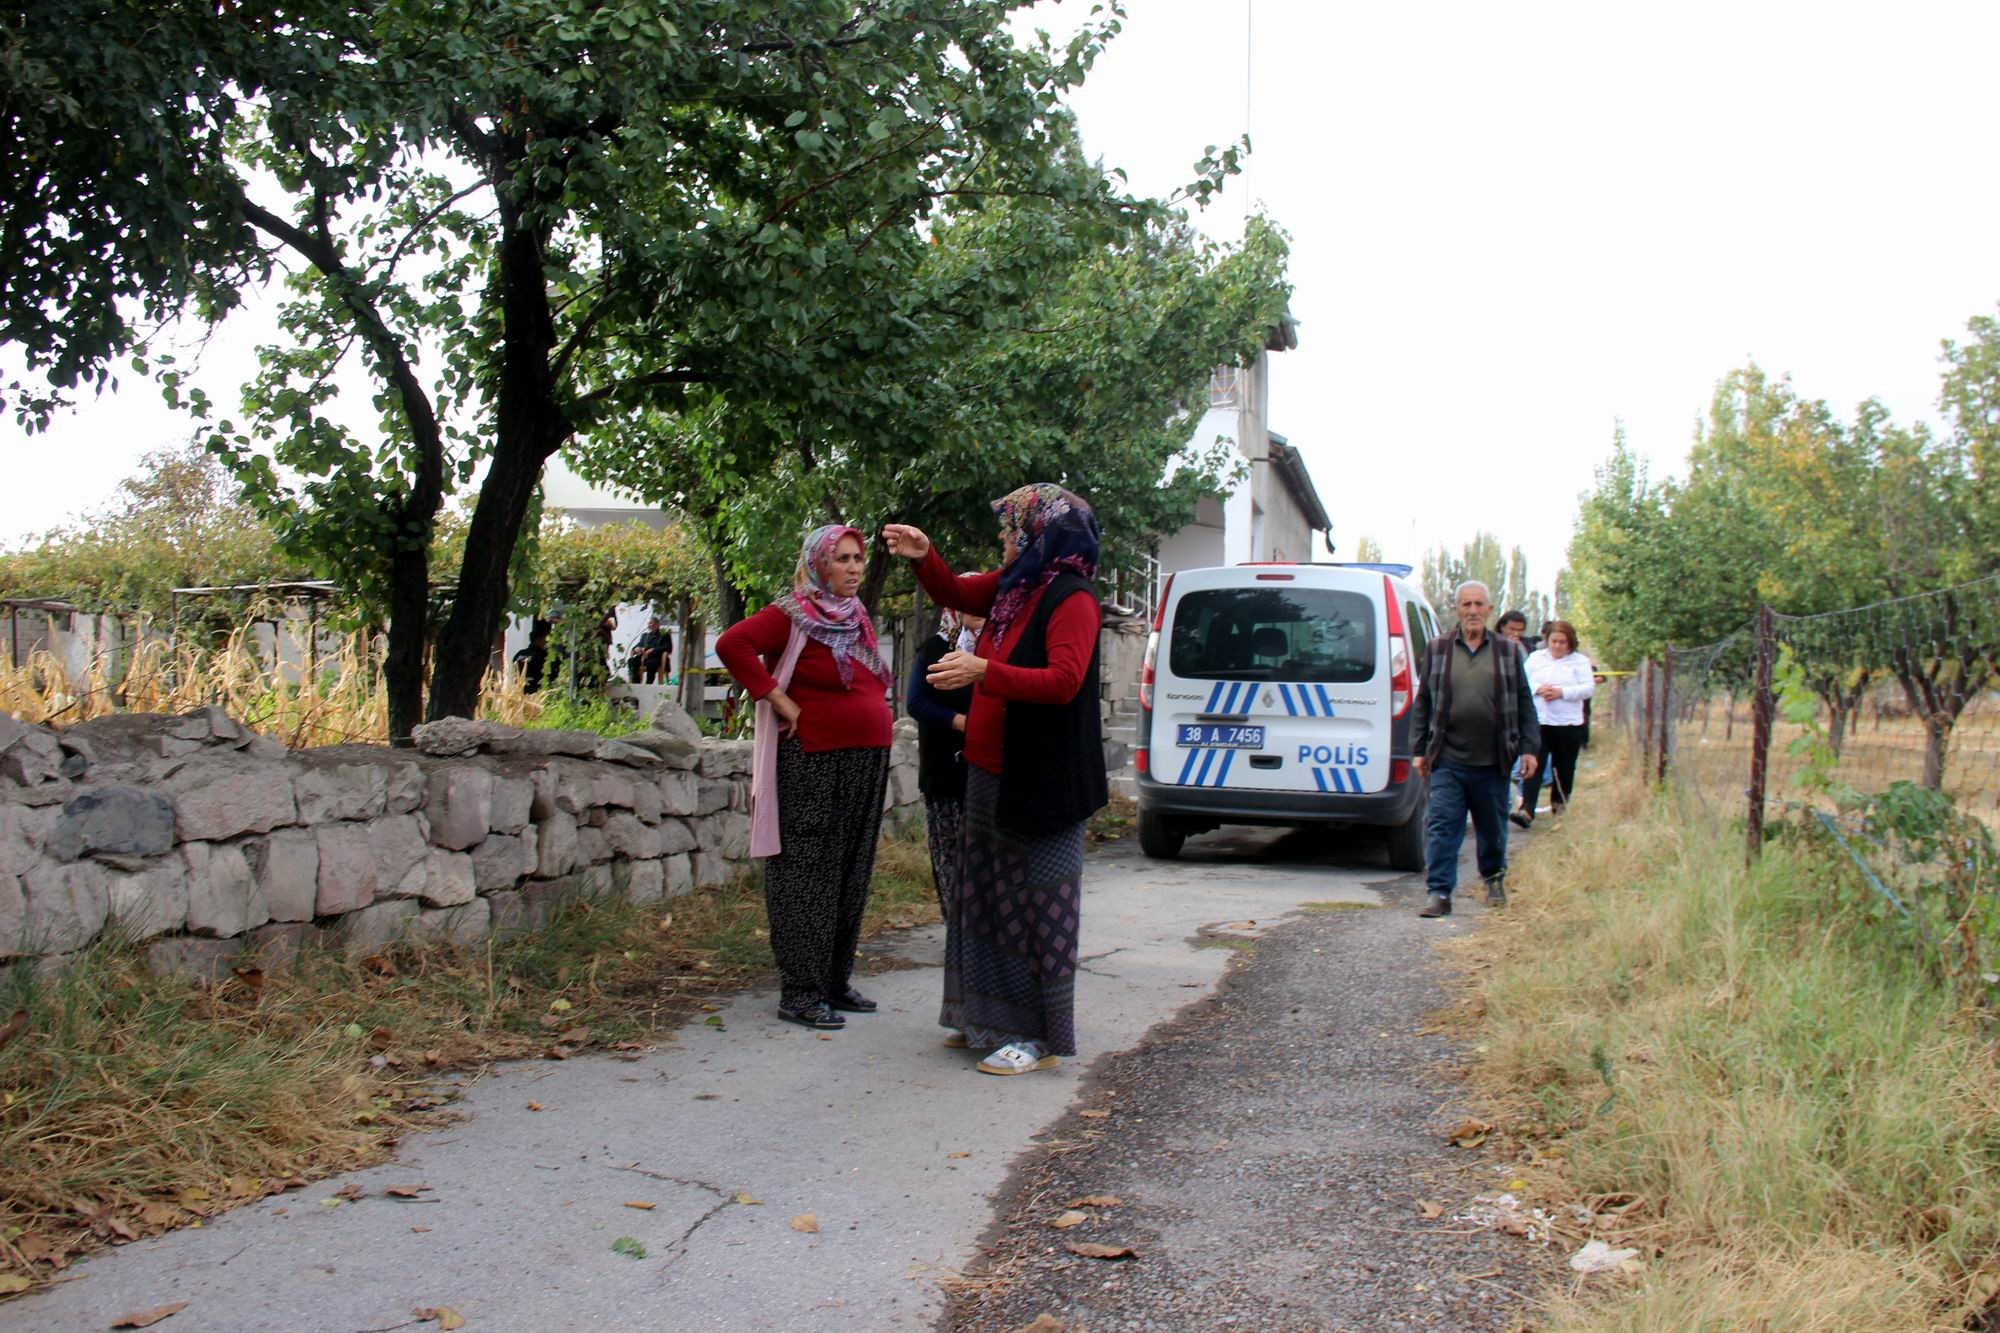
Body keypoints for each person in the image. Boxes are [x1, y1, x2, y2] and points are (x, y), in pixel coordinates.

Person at [884, 484, 1107, 1078]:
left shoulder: (1072, 599)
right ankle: (983, 1018)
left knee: (1039, 908)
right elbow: (955, 590)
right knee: (983, 900)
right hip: (988, 770)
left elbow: (1063, 681)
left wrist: (986, 669)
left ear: (1042, 534)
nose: (1004, 541)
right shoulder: (1016, 588)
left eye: (1013, 530)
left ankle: (1036, 1035)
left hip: (1042, 779)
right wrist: (924, 554)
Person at [716, 525, 894, 1032]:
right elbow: (733, 645)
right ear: (819, 564)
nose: (855, 567)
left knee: (851, 866)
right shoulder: (792, 613)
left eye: (858, 558)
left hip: (867, 755)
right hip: (813, 758)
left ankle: (834, 981)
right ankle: (800, 990)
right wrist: (777, 697)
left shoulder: (854, 615)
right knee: (805, 870)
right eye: (842, 559)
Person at [1409, 581, 1540, 918]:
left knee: (1492, 827)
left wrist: (1528, 748)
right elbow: (1422, 702)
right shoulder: (1438, 649)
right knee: (1441, 826)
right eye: (1466, 604)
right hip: (1448, 758)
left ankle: (1494, 880)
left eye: (1478, 604)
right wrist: (1420, 749)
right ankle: (1439, 893)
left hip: (1494, 759)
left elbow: (1525, 702)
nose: (1472, 610)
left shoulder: (1508, 652)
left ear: (1489, 610)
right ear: (1457, 609)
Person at [904, 607, 987, 919]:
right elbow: (915, 702)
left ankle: (982, 929)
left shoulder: (997, 649)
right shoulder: (935, 649)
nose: (979, 609)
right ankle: (958, 927)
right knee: (950, 854)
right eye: (970, 601)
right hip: (944, 769)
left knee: (985, 854)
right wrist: (961, 722)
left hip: (986, 771)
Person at [1514, 620, 1594, 826]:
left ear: (1570, 643)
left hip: (1568, 724)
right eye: (1554, 641)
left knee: (1564, 768)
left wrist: (1562, 692)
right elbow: (1523, 681)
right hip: (1539, 722)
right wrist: (1539, 689)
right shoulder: (1535, 658)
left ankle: (1559, 808)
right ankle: (1527, 810)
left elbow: (1587, 689)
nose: (1557, 646)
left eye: (1562, 642)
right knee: (1533, 765)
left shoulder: (1580, 662)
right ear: (1547, 640)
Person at [1494, 611, 1529, 815]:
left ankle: (1510, 803)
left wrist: (1518, 649)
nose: (1515, 633)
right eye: (1512, 629)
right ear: (1501, 627)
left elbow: (1525, 676)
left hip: (1513, 713)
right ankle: (1503, 804)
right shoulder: (1490, 644)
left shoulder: (1522, 649)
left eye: (1519, 631)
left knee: (1510, 761)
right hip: (1493, 712)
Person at [626, 615, 674, 684]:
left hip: (657, 658)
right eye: (648, 623)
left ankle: (648, 684)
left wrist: (653, 650)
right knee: (631, 661)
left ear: (657, 625)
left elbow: (668, 647)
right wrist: (636, 649)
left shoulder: (664, 634)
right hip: (644, 658)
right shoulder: (645, 635)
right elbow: (639, 644)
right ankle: (636, 682)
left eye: (651, 623)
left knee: (651, 663)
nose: (649, 625)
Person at [512, 620, 551, 694]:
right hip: (538, 696)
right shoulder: (542, 656)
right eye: (546, 639)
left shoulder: (519, 654)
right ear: (538, 639)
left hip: (519, 697)